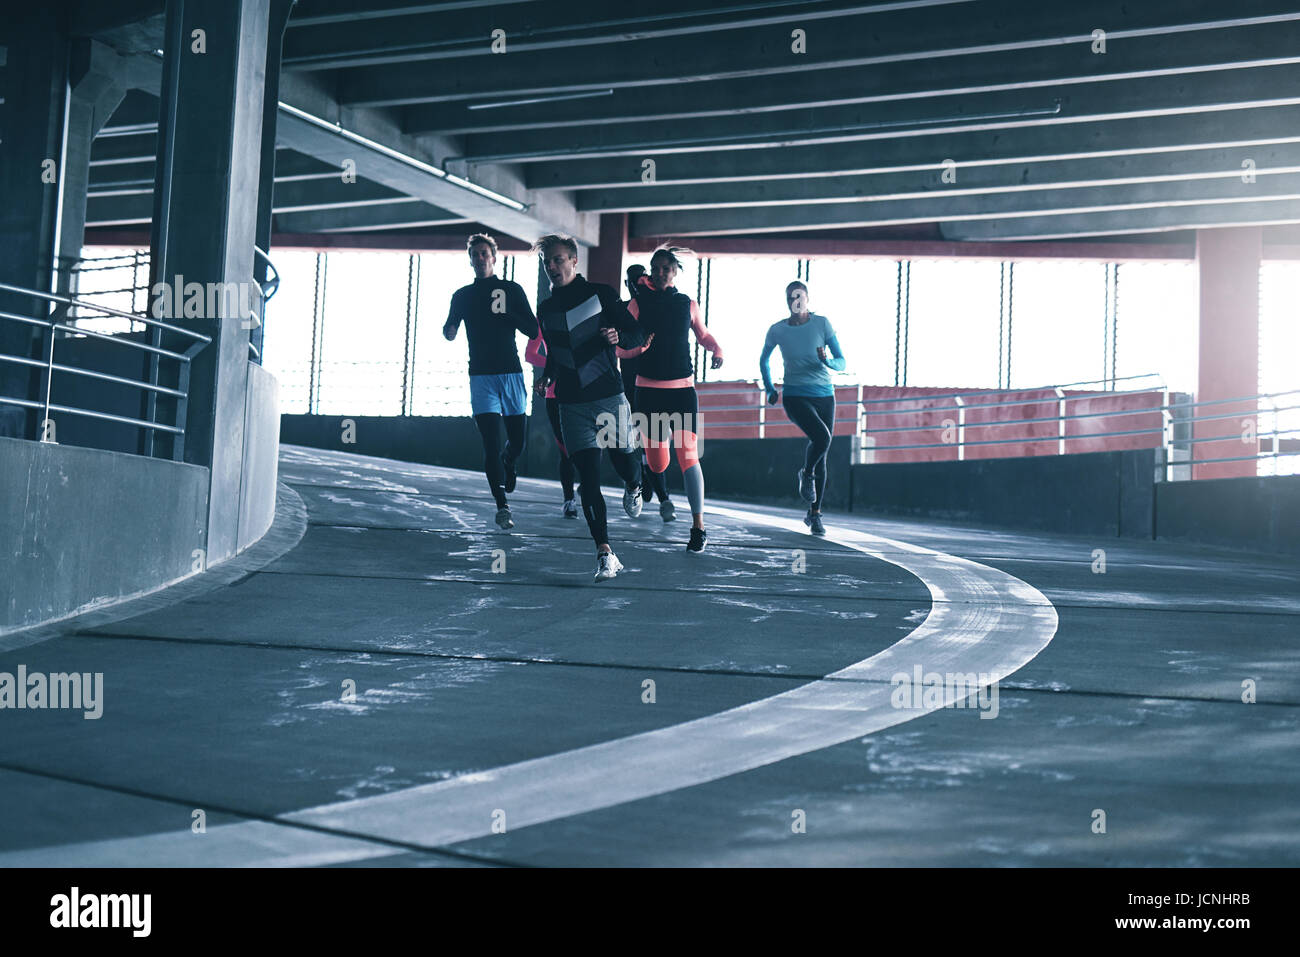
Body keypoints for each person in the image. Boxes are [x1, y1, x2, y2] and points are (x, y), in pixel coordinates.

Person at [532, 234, 647, 581]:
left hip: (608, 396)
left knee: (624, 460)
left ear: (573, 261)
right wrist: (547, 376)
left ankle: (635, 485)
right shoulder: (547, 308)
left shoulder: (601, 294)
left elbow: (636, 333)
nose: (552, 267)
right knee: (589, 480)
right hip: (570, 402)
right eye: (547, 262)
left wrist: (618, 337)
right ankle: (605, 552)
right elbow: (556, 350)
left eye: (557, 260)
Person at [619, 245, 723, 552]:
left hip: (682, 391)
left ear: (675, 272)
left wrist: (717, 350)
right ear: (651, 272)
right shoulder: (637, 305)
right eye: (656, 267)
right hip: (648, 391)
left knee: (689, 456)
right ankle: (646, 479)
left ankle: (698, 527)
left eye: (667, 267)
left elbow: (702, 334)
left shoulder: (687, 304)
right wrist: (637, 350)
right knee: (657, 461)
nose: (662, 272)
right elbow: (620, 347)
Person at [444, 234, 540, 530]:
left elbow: (533, 329)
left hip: (510, 373)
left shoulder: (511, 289)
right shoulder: (462, 295)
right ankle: (502, 507)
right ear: (470, 259)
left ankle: (508, 462)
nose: (480, 258)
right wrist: (448, 330)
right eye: (475, 254)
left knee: (518, 441)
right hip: (481, 376)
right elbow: (450, 328)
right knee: (490, 442)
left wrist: (508, 312)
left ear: (494, 257)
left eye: (485, 253)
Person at [759, 280, 846, 537]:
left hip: (824, 395)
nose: (795, 300)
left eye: (799, 296)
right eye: (790, 297)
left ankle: (815, 514)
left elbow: (842, 361)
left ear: (807, 298)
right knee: (822, 438)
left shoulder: (822, 324)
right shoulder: (777, 330)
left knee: (822, 452)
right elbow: (764, 360)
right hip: (795, 395)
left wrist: (827, 360)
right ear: (787, 301)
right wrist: (770, 389)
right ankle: (805, 474)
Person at [615, 264, 674, 521]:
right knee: (632, 442)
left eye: (640, 280)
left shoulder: (656, 306)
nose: (636, 284)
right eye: (631, 281)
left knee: (655, 440)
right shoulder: (623, 310)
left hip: (652, 384)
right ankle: (646, 488)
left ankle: (663, 497)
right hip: (628, 387)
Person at [524, 317, 579, 519]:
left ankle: (586, 484)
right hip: (555, 393)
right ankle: (569, 501)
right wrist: (555, 365)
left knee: (592, 447)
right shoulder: (544, 320)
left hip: (586, 390)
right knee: (565, 451)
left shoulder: (585, 314)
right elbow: (530, 355)